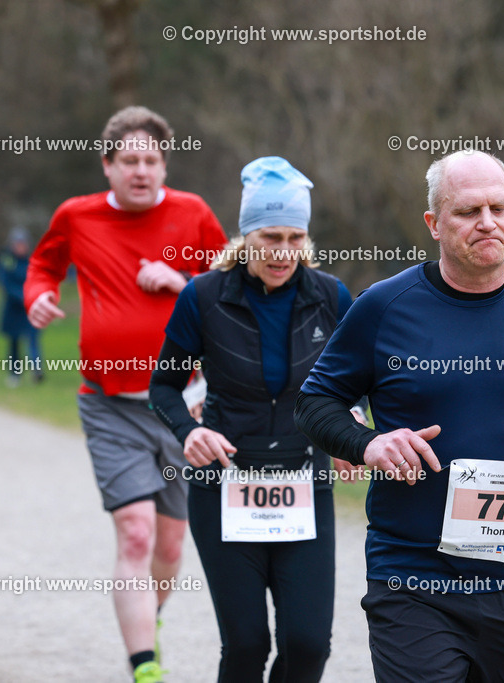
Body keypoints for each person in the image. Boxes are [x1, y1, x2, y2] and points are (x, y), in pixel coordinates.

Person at [294, 150, 504, 682]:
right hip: (415, 580)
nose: (486, 222)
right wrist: (368, 444)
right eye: (467, 211)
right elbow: (314, 401)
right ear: (434, 224)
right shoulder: (384, 306)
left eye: (497, 208)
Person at [24, 106, 228, 683]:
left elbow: (233, 286)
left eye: (152, 160)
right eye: (130, 161)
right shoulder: (77, 215)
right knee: (135, 530)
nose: (142, 171)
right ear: (108, 165)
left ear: (164, 165)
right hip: (108, 401)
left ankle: (150, 616)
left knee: (169, 543)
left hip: (184, 406)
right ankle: (145, 667)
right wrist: (36, 296)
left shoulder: (192, 214)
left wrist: (181, 281)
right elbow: (43, 265)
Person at [149, 156, 366, 682]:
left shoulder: (332, 297)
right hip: (225, 484)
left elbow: (355, 386)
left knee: (307, 644)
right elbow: (164, 387)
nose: (284, 252)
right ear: (246, 236)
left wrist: (351, 429)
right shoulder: (203, 298)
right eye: (271, 236)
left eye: (295, 238)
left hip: (303, 482)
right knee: (246, 644)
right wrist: (190, 430)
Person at [0, 227, 43, 387]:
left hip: (31, 308)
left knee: (33, 338)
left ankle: (37, 370)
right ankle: (14, 373)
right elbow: (5, 283)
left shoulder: (32, 260)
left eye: (23, 244)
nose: (21, 247)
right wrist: (22, 297)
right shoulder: (7, 260)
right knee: (14, 342)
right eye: (18, 244)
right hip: (13, 308)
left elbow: (38, 279)